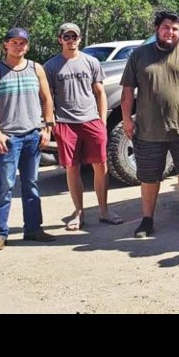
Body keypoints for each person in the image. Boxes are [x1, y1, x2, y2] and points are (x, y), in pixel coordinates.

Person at [120, 11, 179, 239]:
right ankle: (147, 220)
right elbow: (128, 89)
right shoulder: (139, 55)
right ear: (157, 29)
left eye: (175, 29)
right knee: (149, 177)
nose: (170, 32)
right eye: (166, 27)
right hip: (148, 129)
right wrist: (127, 119)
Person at [0, 27, 56, 251]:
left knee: (31, 184)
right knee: (5, 185)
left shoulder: (36, 69)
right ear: (6, 45)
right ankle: (0, 234)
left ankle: (33, 229)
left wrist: (47, 127)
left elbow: (47, 99)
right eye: (14, 42)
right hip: (9, 138)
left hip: (33, 135)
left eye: (22, 43)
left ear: (28, 46)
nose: (18, 46)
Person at [43, 23, 122, 231]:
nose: (71, 40)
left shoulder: (91, 62)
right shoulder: (51, 66)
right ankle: (78, 213)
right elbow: (48, 98)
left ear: (79, 39)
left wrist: (102, 121)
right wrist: (49, 123)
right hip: (65, 123)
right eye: (67, 36)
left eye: (74, 36)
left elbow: (100, 92)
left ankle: (104, 211)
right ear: (60, 39)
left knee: (101, 165)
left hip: (91, 120)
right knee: (72, 168)